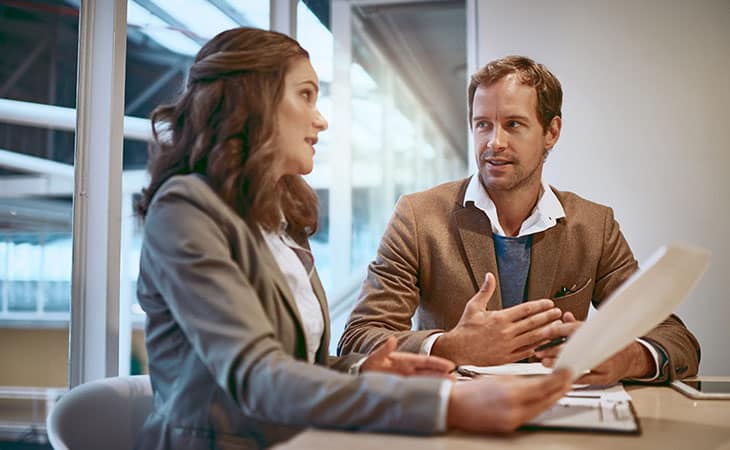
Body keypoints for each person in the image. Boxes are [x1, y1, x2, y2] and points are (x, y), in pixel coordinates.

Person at [133, 30, 572, 449]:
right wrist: (445, 402)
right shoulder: (185, 210)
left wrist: (366, 367)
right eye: (305, 95)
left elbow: (300, 368)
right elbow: (258, 376)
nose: (320, 120)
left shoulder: (277, 221)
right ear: (252, 100)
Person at [338, 55, 700, 385]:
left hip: (563, 413)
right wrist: (450, 347)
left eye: (513, 124)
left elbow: (675, 338)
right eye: (483, 125)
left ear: (552, 132)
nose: (494, 142)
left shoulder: (595, 226)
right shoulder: (418, 217)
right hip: (457, 416)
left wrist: (629, 357)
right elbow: (358, 338)